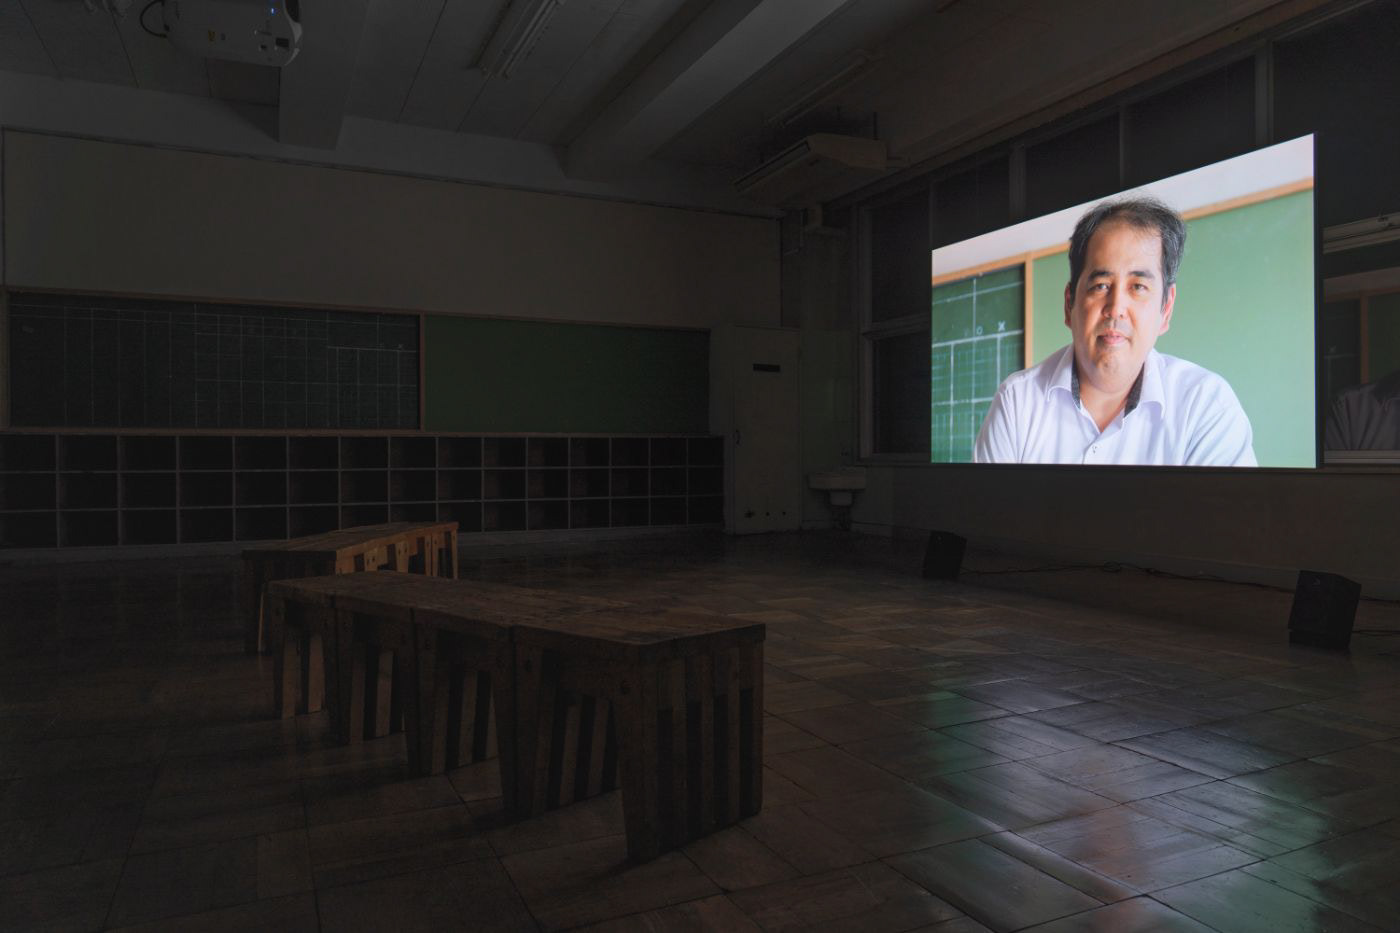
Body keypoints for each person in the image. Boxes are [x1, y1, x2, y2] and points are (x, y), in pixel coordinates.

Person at [973, 197, 1256, 466]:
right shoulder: (1017, 403)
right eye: (1101, 286)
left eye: (1138, 287)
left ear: (1166, 309)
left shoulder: (1207, 407)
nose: (1116, 308)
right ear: (1069, 304)